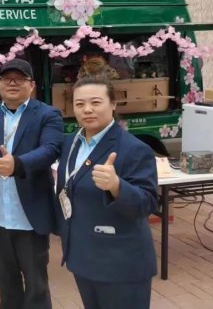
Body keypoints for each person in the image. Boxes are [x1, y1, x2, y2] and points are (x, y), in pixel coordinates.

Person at [0, 58, 63, 309]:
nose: (12, 83)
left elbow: (50, 149)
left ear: (32, 85)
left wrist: (17, 164)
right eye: (7, 78)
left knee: (36, 283)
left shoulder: (48, 114)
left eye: (19, 79)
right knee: (5, 281)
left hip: (30, 215)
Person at [55, 75, 158, 309]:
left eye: (96, 102)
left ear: (113, 104)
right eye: (80, 104)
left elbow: (148, 203)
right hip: (83, 257)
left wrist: (117, 186)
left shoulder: (134, 149)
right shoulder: (70, 143)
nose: (87, 110)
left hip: (121, 264)